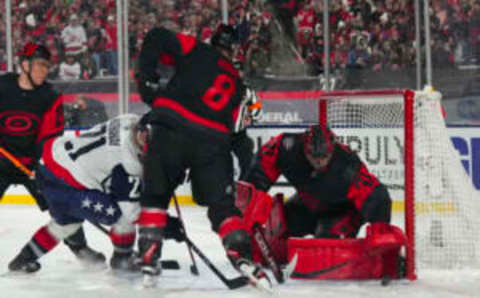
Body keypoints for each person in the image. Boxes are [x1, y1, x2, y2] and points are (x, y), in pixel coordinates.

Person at [135, 24, 269, 287]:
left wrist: (146, 79)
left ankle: (149, 257)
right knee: (223, 208)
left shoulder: (196, 49)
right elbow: (243, 130)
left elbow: (156, 35)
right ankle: (241, 255)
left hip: (170, 128)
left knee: (155, 196)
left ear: (213, 41)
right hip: (213, 142)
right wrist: (243, 165)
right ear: (235, 51)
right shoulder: (242, 87)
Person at [0, 42, 105, 270]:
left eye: (47, 66)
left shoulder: (49, 96)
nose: (44, 70)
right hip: (1, 161)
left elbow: (50, 137)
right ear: (25, 64)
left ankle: (79, 247)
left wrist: (41, 166)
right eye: (40, 65)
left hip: (32, 165)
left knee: (64, 205)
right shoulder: (2, 86)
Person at [241, 124, 398, 265]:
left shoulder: (347, 165)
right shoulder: (286, 146)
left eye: (324, 157)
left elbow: (377, 196)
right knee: (276, 229)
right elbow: (260, 168)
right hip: (307, 204)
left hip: (340, 211)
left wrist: (381, 232)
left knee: (328, 248)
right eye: (313, 156)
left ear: (332, 151)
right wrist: (250, 201)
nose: (318, 162)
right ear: (304, 149)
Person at [8, 114, 146, 273]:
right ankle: (123, 259)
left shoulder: (128, 119)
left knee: (66, 224)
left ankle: (23, 260)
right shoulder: (128, 162)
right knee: (122, 216)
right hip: (70, 182)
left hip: (50, 160)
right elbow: (132, 213)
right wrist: (164, 223)